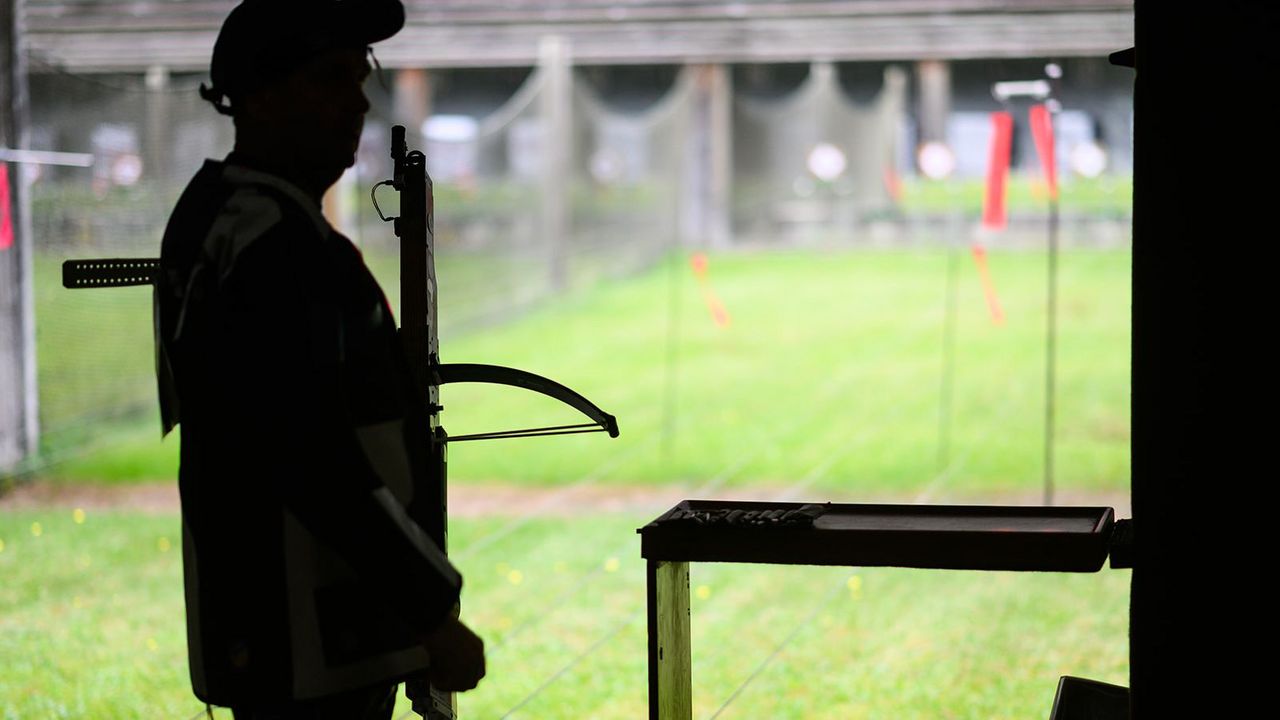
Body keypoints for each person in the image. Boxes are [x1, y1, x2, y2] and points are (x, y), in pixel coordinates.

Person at [153, 1, 484, 717]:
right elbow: (312, 457)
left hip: (278, 618)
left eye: (358, 78)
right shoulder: (280, 247)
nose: (357, 103)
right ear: (261, 97)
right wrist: (431, 612)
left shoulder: (216, 217)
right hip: (310, 633)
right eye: (330, 79)